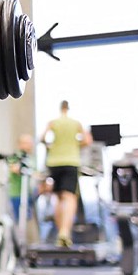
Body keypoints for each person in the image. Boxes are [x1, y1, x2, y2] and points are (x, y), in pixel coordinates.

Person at [42, 100, 91, 247]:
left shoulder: (53, 123)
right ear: (68, 108)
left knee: (58, 197)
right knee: (69, 197)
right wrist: (75, 145)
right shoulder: (76, 123)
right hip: (70, 161)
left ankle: (60, 234)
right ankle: (65, 231)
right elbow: (87, 140)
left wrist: (52, 146)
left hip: (54, 162)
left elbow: (43, 138)